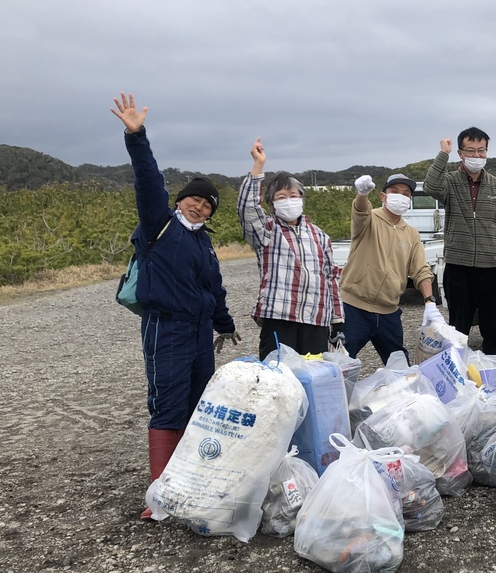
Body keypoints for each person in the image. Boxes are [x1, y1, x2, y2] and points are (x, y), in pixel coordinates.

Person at [109, 93, 240, 519]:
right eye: (194, 199)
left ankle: (190, 477)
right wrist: (136, 135)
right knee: (167, 401)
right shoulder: (159, 224)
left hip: (200, 331)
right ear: (182, 199)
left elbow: (214, 288)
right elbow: (148, 181)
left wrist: (224, 324)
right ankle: (160, 497)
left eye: (207, 204)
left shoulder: (203, 242)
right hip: (166, 326)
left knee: (201, 401)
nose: (199, 205)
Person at [237, 138, 344, 359]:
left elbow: (331, 278)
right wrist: (258, 166)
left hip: (316, 320)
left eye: (293, 196)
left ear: (302, 199)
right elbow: (247, 209)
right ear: (271, 204)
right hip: (280, 317)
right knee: (279, 381)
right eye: (281, 197)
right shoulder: (267, 230)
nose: (289, 201)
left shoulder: (319, 235)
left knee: (313, 380)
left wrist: (338, 321)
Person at [423, 128, 496, 354]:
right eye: (471, 151)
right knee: (458, 326)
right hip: (459, 265)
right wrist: (442, 155)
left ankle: (494, 370)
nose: (477, 156)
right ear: (460, 153)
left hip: (491, 266)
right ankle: (457, 372)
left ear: (487, 152)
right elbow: (430, 186)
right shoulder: (450, 182)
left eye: (481, 151)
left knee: (492, 326)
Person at [339, 173, 441, 364]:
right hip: (354, 308)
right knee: (340, 364)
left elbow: (420, 270)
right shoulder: (370, 220)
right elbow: (360, 212)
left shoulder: (411, 233)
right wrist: (362, 194)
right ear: (383, 196)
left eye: (406, 193)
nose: (400, 196)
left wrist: (429, 302)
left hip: (389, 312)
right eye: (395, 191)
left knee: (400, 367)